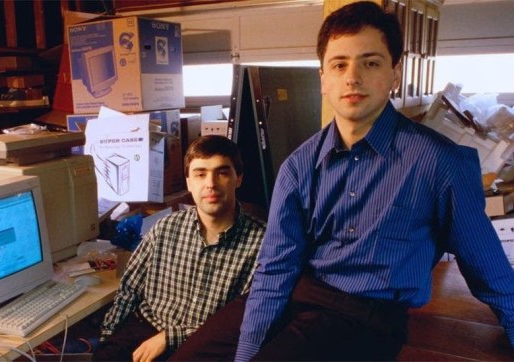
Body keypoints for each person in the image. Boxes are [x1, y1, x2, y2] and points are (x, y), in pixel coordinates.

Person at [170, 2, 514, 361]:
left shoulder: (439, 162)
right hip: (300, 292)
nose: (353, 77)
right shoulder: (298, 166)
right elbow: (276, 268)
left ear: (394, 74)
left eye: (371, 62)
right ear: (323, 78)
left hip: (368, 315)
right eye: (339, 64)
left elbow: (488, 267)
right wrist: (246, 352)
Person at [92, 135, 266, 362]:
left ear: (238, 178)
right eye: (200, 174)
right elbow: (129, 292)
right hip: (146, 328)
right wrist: (108, 340)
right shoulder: (166, 227)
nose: (210, 184)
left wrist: (170, 337)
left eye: (222, 173)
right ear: (188, 182)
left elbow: (243, 321)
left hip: (205, 343)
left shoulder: (262, 243)